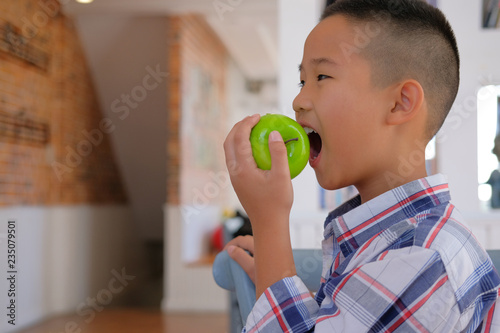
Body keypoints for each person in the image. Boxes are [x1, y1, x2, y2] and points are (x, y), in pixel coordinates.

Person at [223, 0, 500, 331]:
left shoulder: (422, 259)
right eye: (302, 81)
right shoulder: (397, 242)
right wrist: (274, 271)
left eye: (322, 76)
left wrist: (268, 223)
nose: (298, 101)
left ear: (400, 103)